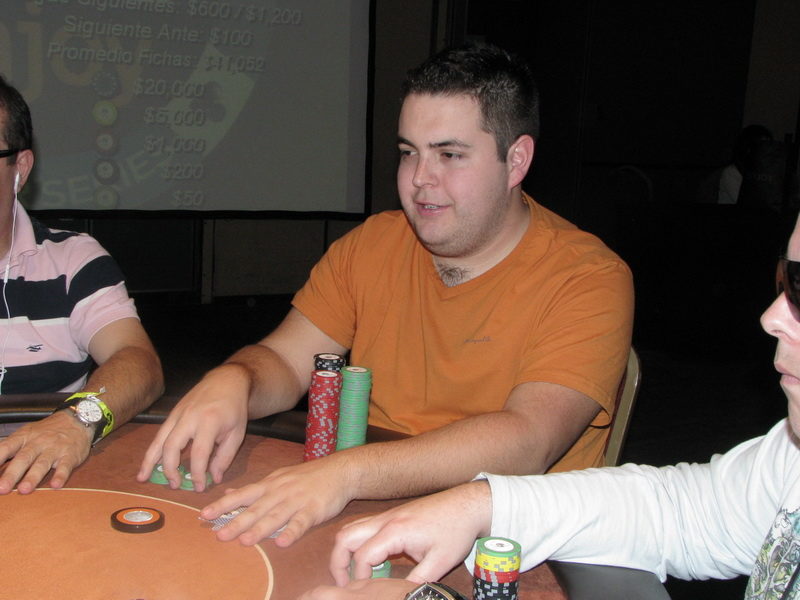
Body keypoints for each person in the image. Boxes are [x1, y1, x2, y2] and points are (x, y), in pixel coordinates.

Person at [137, 43, 634, 548]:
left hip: (510, 542)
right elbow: (286, 361)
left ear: (517, 161)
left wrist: (347, 473)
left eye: (449, 155)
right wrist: (236, 379)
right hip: (367, 506)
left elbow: (528, 440)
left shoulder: (587, 277)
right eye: (408, 152)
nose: (419, 179)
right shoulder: (372, 244)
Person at [298, 212, 800, 600]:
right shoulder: (789, 459)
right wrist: (479, 505)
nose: (771, 317)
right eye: (785, 279)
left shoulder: (586, 270)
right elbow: (680, 511)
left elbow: (529, 435)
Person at [0, 75, 164, 494]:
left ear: (20, 168)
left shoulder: (74, 260)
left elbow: (139, 364)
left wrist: (76, 421)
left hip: (42, 483)